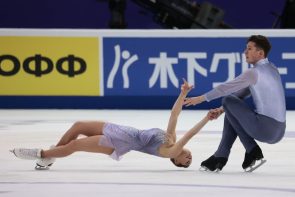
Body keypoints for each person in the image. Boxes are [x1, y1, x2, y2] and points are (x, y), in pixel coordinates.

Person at [10, 79, 216, 170]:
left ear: (176, 162)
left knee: (73, 146)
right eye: (190, 159)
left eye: (185, 162)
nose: (189, 158)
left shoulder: (168, 152)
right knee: (78, 126)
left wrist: (206, 119)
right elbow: (174, 115)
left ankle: (41, 155)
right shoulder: (170, 139)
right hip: (120, 130)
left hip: (117, 143)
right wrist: (183, 93)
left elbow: (188, 135)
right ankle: (52, 154)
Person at [184, 35, 286, 172]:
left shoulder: (253, 73)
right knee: (229, 106)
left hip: (265, 129)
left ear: (260, 53)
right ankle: (221, 156)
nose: (245, 52)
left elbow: (225, 89)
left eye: (249, 49)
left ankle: (250, 149)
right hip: (279, 131)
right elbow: (241, 94)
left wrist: (200, 99)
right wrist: (221, 110)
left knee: (227, 100)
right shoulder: (273, 68)